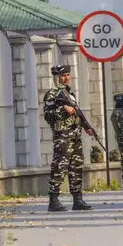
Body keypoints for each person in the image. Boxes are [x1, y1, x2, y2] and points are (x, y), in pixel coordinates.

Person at [43, 65, 93, 212]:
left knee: (76, 168)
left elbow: (77, 113)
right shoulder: (51, 95)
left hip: (75, 136)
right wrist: (63, 109)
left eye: (68, 75)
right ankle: (53, 200)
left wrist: (87, 127)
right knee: (59, 167)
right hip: (62, 137)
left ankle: (78, 200)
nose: (67, 78)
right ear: (56, 77)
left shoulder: (70, 95)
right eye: (63, 75)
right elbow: (48, 115)